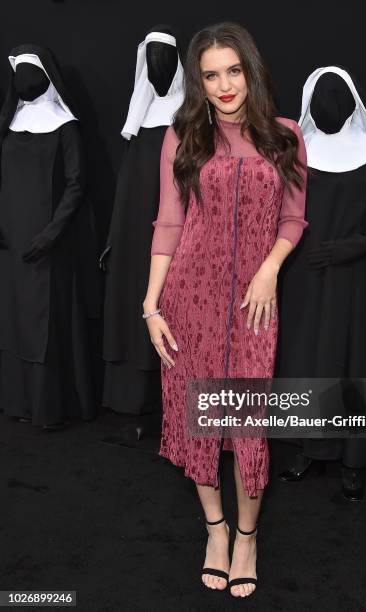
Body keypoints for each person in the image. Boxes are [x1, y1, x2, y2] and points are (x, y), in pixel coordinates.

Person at [143, 22, 307, 597]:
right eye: (211, 75)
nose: (224, 85)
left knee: (246, 422)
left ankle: (247, 537)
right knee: (201, 417)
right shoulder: (182, 137)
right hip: (189, 296)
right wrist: (150, 304)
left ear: (250, 71)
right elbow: (169, 222)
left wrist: (269, 270)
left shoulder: (285, 135)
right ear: (199, 82)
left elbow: (292, 219)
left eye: (233, 70)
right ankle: (215, 530)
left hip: (252, 304)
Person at [275, 66, 366, 499]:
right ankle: (309, 448)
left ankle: (355, 459)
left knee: (355, 365)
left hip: (358, 278)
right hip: (306, 276)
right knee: (308, 360)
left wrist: (349, 248)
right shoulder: (297, 149)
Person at [0, 44, 99, 430]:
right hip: (9, 242)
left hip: (46, 244)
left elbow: (77, 185)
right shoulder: (8, 121)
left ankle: (47, 407)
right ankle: (16, 401)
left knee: (43, 321)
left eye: (32, 71)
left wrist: (51, 233)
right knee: (12, 321)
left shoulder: (65, 125)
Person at [100, 26, 185, 422]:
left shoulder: (193, 116)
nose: (158, 67)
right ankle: (135, 404)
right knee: (137, 304)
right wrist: (115, 235)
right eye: (150, 58)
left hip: (178, 229)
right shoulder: (139, 117)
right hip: (136, 231)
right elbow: (127, 187)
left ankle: (170, 404)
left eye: (164, 58)